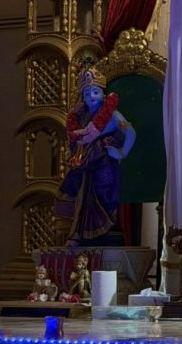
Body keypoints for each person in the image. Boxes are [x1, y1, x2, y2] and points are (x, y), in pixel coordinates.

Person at [56, 67, 136, 246]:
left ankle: (101, 230)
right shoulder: (81, 116)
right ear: (82, 97)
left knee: (102, 197)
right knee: (81, 196)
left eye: (95, 92)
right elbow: (76, 138)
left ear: (103, 94)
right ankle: (78, 234)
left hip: (104, 163)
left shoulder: (112, 115)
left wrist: (121, 152)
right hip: (84, 165)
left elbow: (131, 132)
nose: (91, 96)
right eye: (87, 93)